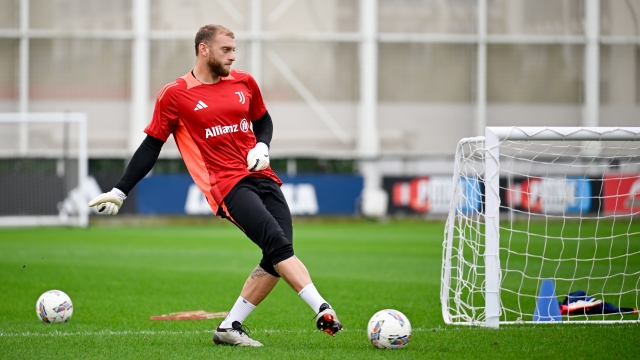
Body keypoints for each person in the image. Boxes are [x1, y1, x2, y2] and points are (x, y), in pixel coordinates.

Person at [88, 24, 342, 347]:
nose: (233, 57)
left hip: (264, 177)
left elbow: (263, 120)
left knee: (277, 253)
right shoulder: (175, 94)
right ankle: (322, 308)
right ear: (203, 50)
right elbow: (151, 146)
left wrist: (262, 146)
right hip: (227, 186)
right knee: (277, 244)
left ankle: (229, 326)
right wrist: (121, 190)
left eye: (234, 50)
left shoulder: (244, 82)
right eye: (226, 50)